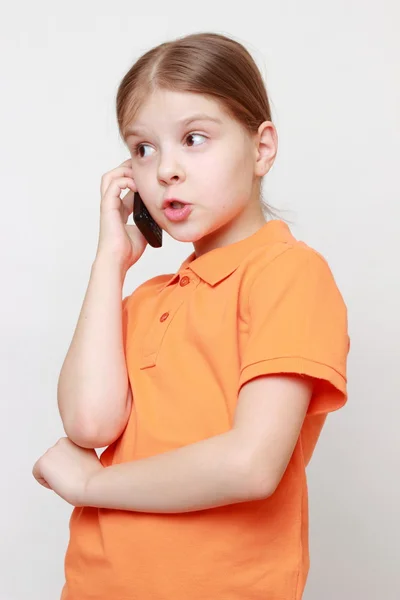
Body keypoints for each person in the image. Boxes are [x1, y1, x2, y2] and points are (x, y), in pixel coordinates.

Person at [32, 31, 350, 600]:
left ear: (262, 148)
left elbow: (250, 464)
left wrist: (92, 483)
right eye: (143, 148)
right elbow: (88, 423)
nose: (165, 170)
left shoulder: (287, 273)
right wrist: (111, 261)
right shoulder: (147, 298)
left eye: (194, 138)